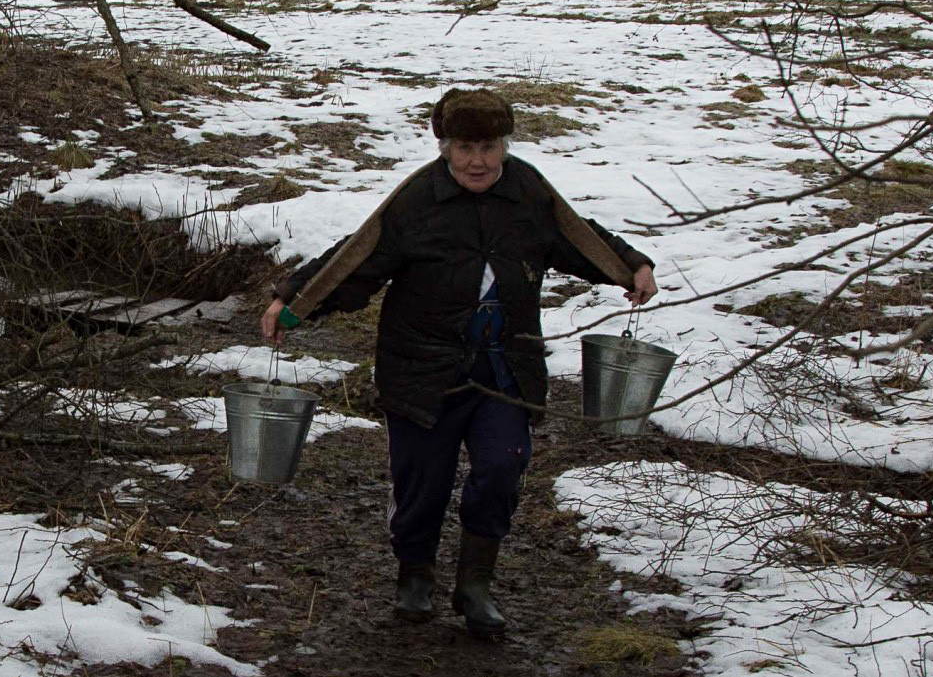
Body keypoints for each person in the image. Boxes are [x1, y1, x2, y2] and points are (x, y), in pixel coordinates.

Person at [260, 88, 658, 637]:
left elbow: (578, 238)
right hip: (422, 368)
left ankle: (475, 585)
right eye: (465, 147)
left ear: (505, 145)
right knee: (423, 480)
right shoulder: (417, 201)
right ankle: (415, 575)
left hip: (504, 369)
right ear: (445, 147)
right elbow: (357, 259)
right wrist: (294, 302)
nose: (478, 161)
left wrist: (631, 266)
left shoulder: (528, 193)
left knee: (502, 467)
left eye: (490, 147)